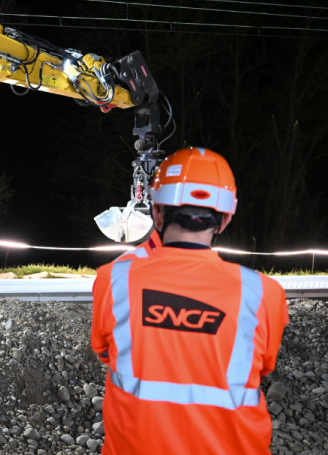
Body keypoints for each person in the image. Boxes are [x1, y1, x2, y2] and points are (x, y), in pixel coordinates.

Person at [91, 147, 289, 454]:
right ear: (224, 219)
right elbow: (262, 367)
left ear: (157, 213)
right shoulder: (263, 293)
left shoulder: (114, 279)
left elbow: (105, 351)